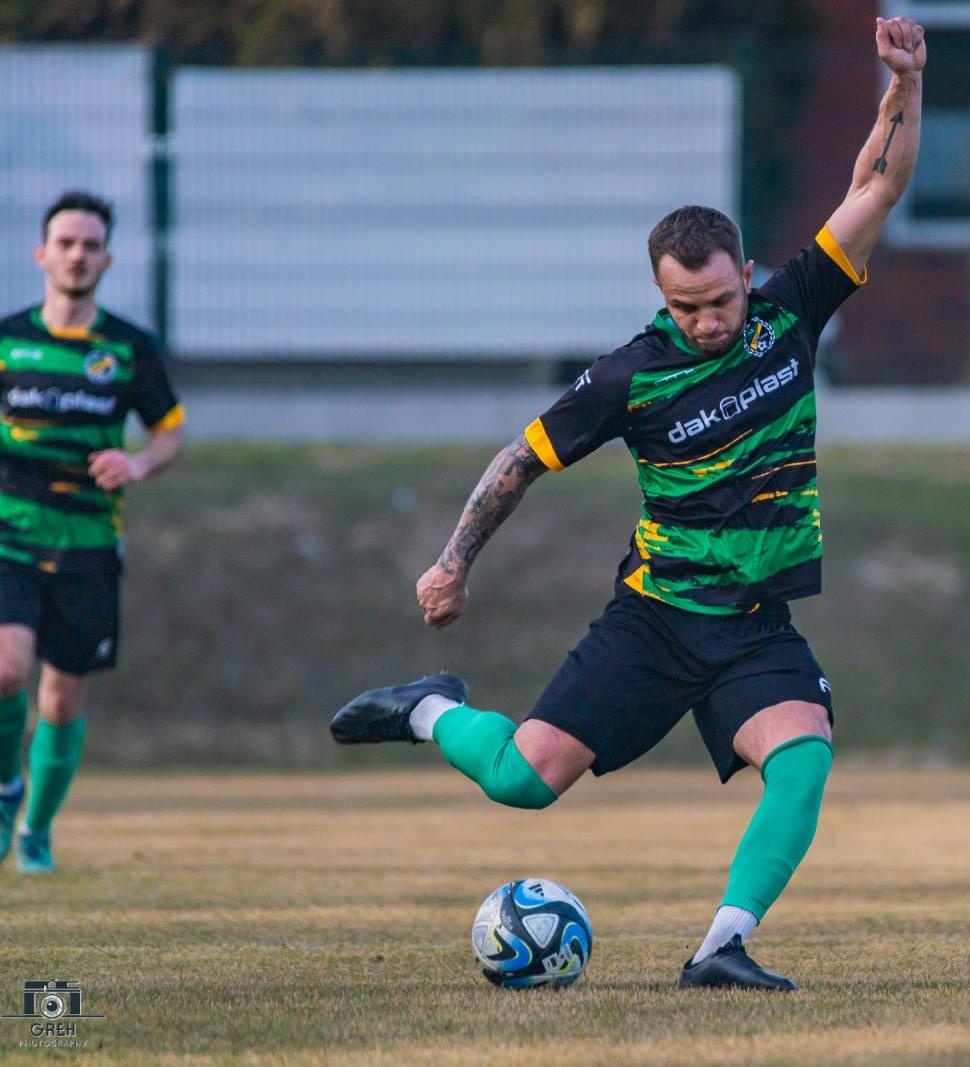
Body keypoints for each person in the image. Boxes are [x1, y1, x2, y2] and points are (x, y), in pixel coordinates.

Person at [332, 16, 925, 990]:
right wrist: (452, 561)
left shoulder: (791, 309)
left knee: (804, 758)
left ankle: (719, 945)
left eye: (720, 301)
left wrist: (899, 82)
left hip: (750, 625)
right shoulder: (626, 378)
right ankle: (427, 709)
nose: (706, 322)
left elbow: (877, 185)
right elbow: (516, 464)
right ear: (661, 295)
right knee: (524, 782)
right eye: (686, 307)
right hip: (654, 620)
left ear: (744, 275)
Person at [0, 191, 186, 874]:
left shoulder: (129, 348)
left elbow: (170, 433)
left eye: (90, 245)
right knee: (5, 667)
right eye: (66, 242)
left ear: (105, 257)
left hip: (87, 544)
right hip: (10, 535)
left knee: (60, 694)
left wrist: (135, 461)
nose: (77, 255)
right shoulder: (7, 338)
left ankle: (36, 829)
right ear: (42, 252)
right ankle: (4, 789)